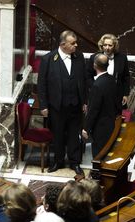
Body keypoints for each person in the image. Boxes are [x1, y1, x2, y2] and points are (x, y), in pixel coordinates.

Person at [37, 30, 87, 175]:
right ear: (63, 44)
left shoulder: (79, 57)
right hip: (56, 106)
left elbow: (83, 81)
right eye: (73, 43)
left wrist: (84, 101)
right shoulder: (49, 59)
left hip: (75, 105)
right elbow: (42, 84)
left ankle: (74, 162)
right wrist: (44, 105)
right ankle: (58, 161)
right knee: (57, 135)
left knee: (74, 135)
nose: (76, 45)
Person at [82, 54, 119, 157]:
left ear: (94, 65)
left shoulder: (97, 85)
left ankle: (97, 173)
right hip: (111, 123)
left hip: (100, 127)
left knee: (99, 156)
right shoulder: (111, 80)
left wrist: (86, 128)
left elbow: (93, 110)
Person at [87, 33, 130, 113]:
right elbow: (88, 76)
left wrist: (125, 94)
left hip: (116, 96)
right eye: (105, 45)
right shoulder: (94, 57)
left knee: (115, 121)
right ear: (101, 45)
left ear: (114, 46)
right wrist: (95, 88)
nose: (107, 48)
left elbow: (126, 77)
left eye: (110, 45)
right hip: (99, 96)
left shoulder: (122, 58)